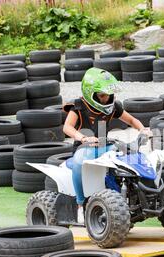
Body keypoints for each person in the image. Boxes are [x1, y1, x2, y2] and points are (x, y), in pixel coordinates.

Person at [63, 67, 152, 223]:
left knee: (129, 153)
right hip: (84, 148)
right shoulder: (78, 106)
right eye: (102, 95)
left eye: (108, 95)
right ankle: (80, 204)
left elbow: (131, 120)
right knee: (78, 162)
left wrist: (142, 129)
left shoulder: (113, 106)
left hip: (106, 146)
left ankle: (134, 194)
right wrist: (83, 138)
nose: (106, 99)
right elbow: (67, 127)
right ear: (90, 93)